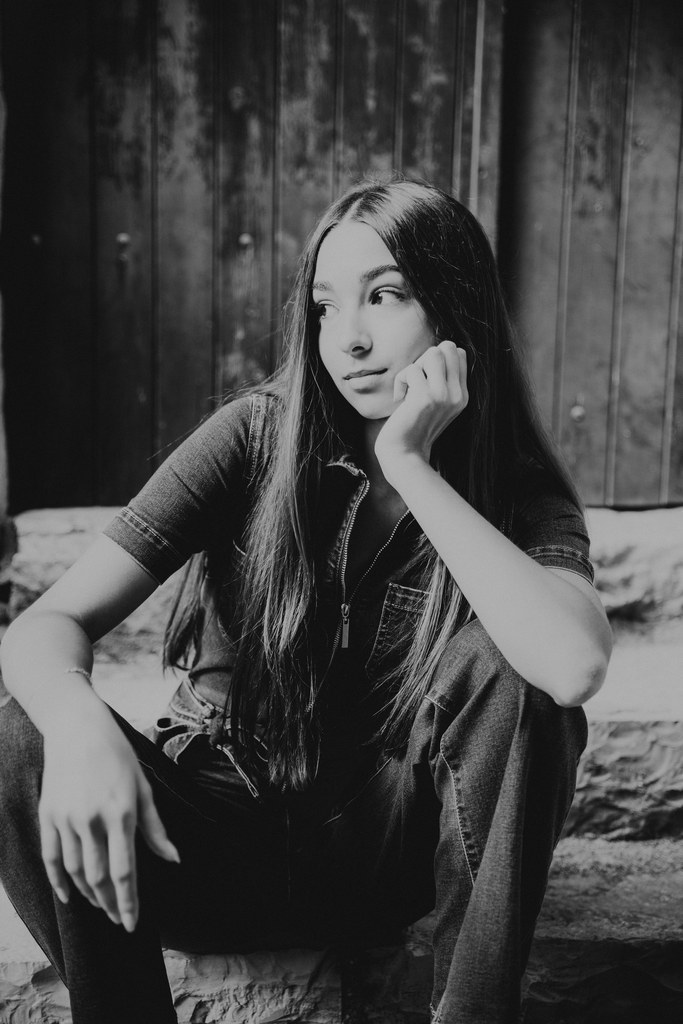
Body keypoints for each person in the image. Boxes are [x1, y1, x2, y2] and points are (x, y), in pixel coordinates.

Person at [0, 178, 611, 1024]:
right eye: (325, 307)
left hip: (383, 863)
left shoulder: (516, 490)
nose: (348, 338)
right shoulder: (257, 436)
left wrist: (411, 468)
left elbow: (571, 668)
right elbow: (49, 623)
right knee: (20, 731)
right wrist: (77, 728)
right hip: (202, 845)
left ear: (456, 307)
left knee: (519, 680)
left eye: (385, 295)